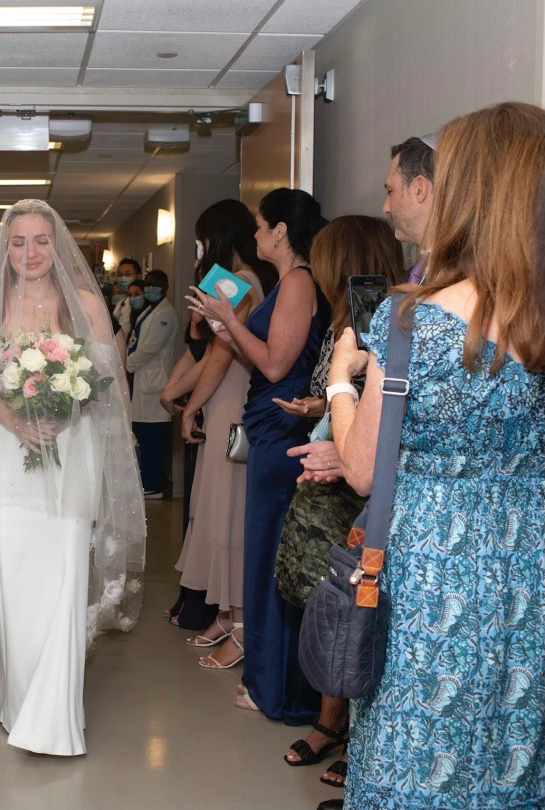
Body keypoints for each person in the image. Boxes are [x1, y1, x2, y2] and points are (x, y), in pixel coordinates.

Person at [330, 102, 545, 810]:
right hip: (528, 570)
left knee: (418, 758)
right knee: (513, 760)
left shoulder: (412, 318)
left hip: (433, 576)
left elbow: (362, 469)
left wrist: (340, 382)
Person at [0, 200, 146, 756]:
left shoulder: (84, 301)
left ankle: (52, 713)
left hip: (70, 455)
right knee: (9, 571)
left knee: (63, 571)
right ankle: (14, 688)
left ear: (56, 245)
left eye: (41, 241)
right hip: (4, 459)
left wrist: (77, 411)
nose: (31, 253)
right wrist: (9, 416)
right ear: (4, 248)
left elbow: (111, 379)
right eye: (19, 242)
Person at [191, 187, 329, 722]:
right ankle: (270, 676)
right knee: (265, 550)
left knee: (272, 552)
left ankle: (276, 685)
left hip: (282, 426)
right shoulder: (285, 283)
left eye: (259, 225)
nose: (253, 234)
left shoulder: (296, 282)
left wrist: (230, 323)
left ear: (280, 232)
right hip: (271, 424)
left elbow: (274, 366)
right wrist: (228, 325)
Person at [274, 216, 402, 783]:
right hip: (333, 471)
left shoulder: (383, 323)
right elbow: (339, 397)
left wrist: (335, 445)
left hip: (360, 489)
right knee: (333, 604)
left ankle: (354, 734)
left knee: (359, 610)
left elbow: (380, 425)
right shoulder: (341, 321)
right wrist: (319, 418)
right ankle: (331, 721)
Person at [165, 200, 273, 639]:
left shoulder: (236, 282)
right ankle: (227, 614)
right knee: (218, 505)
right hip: (225, 397)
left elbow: (218, 354)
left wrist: (187, 404)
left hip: (228, 402)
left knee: (225, 507)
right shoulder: (247, 280)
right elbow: (211, 350)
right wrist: (176, 391)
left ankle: (238, 621)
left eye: (204, 239)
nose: (201, 248)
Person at [127, 269, 179, 499]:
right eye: (147, 284)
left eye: (154, 285)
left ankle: (153, 485)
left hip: (153, 382)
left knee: (151, 438)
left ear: (165, 287)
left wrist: (124, 364)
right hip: (142, 380)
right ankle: (146, 481)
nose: (149, 288)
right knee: (143, 434)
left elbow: (149, 348)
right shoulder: (150, 309)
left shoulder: (166, 314)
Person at [382, 136, 435, 284]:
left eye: (391, 191)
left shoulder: (468, 279)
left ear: (419, 189)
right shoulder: (411, 277)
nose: (386, 208)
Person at [111, 257, 142, 334]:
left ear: (138, 277)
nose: (122, 278)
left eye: (127, 274)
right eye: (120, 275)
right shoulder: (121, 302)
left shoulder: (139, 302)